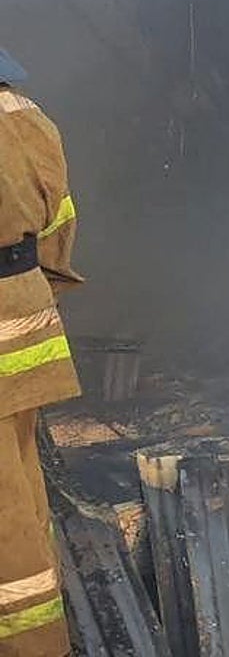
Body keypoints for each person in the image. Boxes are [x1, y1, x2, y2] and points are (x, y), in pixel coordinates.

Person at [0, 48, 82, 657]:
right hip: (27, 323)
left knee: (5, 519)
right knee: (21, 488)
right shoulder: (30, 118)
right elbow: (58, 228)